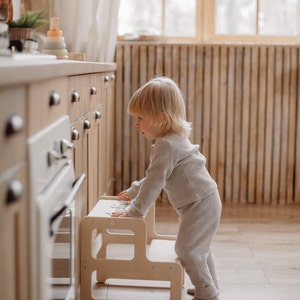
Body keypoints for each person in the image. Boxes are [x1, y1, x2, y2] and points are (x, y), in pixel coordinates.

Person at [112, 76, 222, 300]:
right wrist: (134, 191)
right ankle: (209, 286)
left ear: (161, 119)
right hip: (204, 201)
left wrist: (135, 211)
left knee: (187, 250)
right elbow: (156, 177)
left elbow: (155, 181)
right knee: (199, 248)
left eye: (140, 118)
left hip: (200, 204)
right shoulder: (173, 140)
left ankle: (208, 293)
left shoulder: (166, 146)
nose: (136, 124)